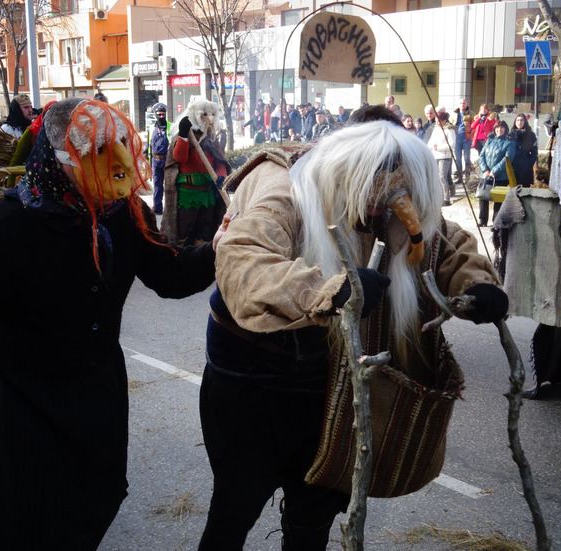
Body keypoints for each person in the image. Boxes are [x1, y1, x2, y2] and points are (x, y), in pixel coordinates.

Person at [198, 109, 507, 550]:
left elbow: (442, 238)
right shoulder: (282, 184)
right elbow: (245, 261)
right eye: (374, 198)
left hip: (329, 379)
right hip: (253, 376)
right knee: (236, 504)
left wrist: (475, 283)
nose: (384, 213)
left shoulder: (389, 194)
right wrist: (327, 291)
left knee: (315, 510)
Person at [0, 97, 221, 551]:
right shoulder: (10, 227)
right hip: (25, 408)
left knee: (92, 509)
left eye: (122, 144)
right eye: (99, 153)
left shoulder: (125, 214)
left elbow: (171, 275)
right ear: (59, 158)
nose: (119, 163)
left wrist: (222, 249)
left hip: (97, 401)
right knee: (28, 525)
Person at [164, 99, 231, 246]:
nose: (210, 118)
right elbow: (180, 157)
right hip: (187, 194)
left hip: (207, 195)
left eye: (213, 114)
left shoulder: (212, 138)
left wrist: (222, 176)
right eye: (206, 114)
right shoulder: (186, 135)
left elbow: (219, 161)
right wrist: (182, 135)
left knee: (206, 232)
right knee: (185, 232)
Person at [477, 120, 516, 227]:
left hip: (500, 176)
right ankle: (482, 220)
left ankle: (496, 221)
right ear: (494, 129)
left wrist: (494, 171)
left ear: (505, 129)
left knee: (498, 200)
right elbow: (482, 156)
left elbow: (507, 158)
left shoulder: (510, 142)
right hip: (485, 175)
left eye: (502, 127)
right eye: (497, 128)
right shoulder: (489, 140)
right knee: (483, 198)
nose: (499, 130)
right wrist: (485, 170)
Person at [427, 106, 458, 205]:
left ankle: (446, 198)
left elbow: (451, 145)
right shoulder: (436, 129)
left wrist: (438, 147)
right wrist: (431, 147)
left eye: (438, 121)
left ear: (444, 120)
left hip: (445, 157)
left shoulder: (450, 130)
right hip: (435, 155)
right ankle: (438, 197)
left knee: (442, 177)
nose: (436, 123)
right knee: (436, 177)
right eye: (435, 121)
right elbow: (430, 142)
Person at [147, 102, 171, 215]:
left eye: (163, 114)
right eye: (159, 114)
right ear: (155, 115)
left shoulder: (170, 127)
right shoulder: (151, 128)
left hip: (167, 160)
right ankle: (157, 208)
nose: (161, 116)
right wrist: (146, 162)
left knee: (170, 186)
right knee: (157, 185)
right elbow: (148, 146)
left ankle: (170, 209)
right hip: (155, 161)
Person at [510, 113, 538, 187]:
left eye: (522, 120)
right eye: (518, 120)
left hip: (525, 167)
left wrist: (529, 163)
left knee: (524, 190)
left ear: (525, 121)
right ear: (515, 122)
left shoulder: (531, 135)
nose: (519, 122)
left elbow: (535, 152)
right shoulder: (511, 135)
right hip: (513, 166)